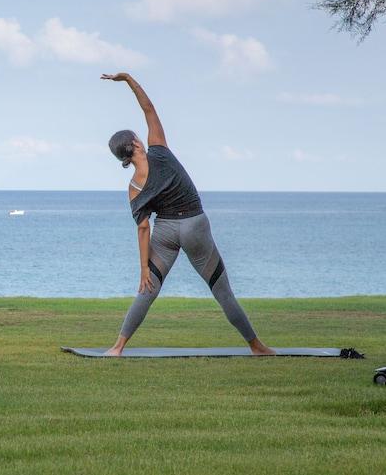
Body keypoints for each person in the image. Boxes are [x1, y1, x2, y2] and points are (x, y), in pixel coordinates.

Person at [100, 72, 275, 357]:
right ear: (136, 144)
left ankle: (117, 347)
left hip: (165, 231)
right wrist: (129, 80)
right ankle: (257, 346)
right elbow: (149, 109)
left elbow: (143, 228)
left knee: (147, 290)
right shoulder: (159, 150)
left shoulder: (133, 187)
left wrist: (144, 269)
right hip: (194, 225)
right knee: (222, 291)